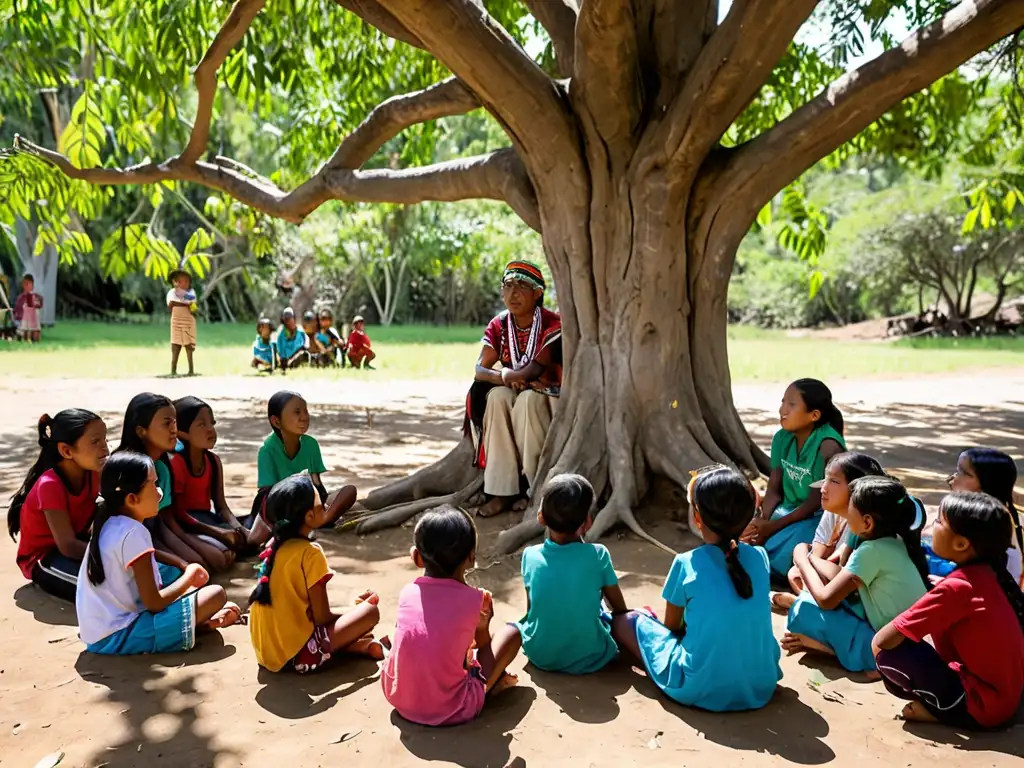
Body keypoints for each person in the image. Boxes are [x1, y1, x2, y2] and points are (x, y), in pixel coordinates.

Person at [611, 466, 781, 712]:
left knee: (626, 622)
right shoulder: (760, 558)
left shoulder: (686, 563)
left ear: (698, 518)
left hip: (699, 686)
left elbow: (672, 627)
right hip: (760, 683)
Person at [873, 492, 1024, 728]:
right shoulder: (989, 574)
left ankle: (942, 711)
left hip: (984, 709)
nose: (933, 524)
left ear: (962, 544)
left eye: (940, 521)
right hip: (1006, 701)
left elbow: (883, 641)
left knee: (888, 654)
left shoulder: (957, 587)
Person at [76, 452, 240, 655]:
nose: (158, 491)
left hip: (99, 634)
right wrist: (190, 576)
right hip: (119, 636)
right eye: (153, 484)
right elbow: (154, 603)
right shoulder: (134, 533)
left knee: (174, 577)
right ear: (132, 499)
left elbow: (150, 576)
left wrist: (184, 575)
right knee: (216, 595)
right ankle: (194, 625)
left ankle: (197, 624)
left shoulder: (112, 522)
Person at [382, 506, 521, 726]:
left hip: (399, 698)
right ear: (471, 557)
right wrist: (484, 627)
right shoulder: (473, 600)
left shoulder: (408, 592)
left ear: (416, 557)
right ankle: (490, 686)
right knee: (512, 633)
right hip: (452, 709)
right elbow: (483, 647)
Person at [783, 476, 930, 672]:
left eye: (850, 507)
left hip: (892, 649)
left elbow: (827, 599)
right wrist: (812, 560)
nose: (846, 513)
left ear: (867, 522)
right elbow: (840, 575)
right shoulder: (891, 541)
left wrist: (802, 560)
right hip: (905, 641)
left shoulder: (871, 551)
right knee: (814, 595)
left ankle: (848, 655)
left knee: (804, 608)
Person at [249, 474, 386, 672]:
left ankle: (360, 646)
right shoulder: (311, 553)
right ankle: (352, 643)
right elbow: (321, 617)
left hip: (267, 655)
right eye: (321, 504)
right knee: (370, 613)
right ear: (309, 517)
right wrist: (358, 610)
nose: (326, 506)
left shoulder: (274, 548)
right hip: (297, 656)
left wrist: (350, 611)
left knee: (353, 614)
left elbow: (309, 610)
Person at [469, 261, 562, 518]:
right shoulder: (499, 324)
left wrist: (512, 374)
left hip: (545, 396)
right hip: (512, 388)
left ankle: (534, 489)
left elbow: (535, 369)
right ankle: (501, 491)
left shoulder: (551, 323)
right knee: (497, 398)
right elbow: (480, 369)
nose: (514, 293)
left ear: (538, 293)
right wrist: (504, 378)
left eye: (522, 286)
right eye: (508, 286)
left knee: (528, 402)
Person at [512, 474, 626, 673]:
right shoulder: (598, 555)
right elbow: (619, 609)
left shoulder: (530, 556)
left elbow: (533, 612)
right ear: (588, 521)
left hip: (541, 654)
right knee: (630, 619)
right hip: (591, 656)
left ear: (540, 516)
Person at [116, 393, 234, 572]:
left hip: (159, 534)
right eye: (166, 424)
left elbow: (167, 521)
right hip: (134, 543)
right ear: (141, 431)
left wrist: (196, 549)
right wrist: (182, 561)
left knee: (215, 560)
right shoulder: (126, 470)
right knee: (194, 569)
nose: (174, 430)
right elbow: (133, 533)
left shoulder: (162, 468)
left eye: (174, 422)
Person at [743, 378, 846, 576]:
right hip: (787, 511)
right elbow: (773, 488)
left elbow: (815, 502)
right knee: (749, 535)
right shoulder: (782, 438)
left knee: (782, 558)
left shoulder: (827, 446)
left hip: (817, 516)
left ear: (814, 415)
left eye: (792, 404)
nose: (783, 410)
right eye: (783, 402)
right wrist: (762, 521)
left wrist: (771, 528)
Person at [8, 410, 108, 600]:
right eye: (95, 442)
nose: (105, 448)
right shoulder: (50, 485)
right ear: (67, 451)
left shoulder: (93, 472)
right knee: (102, 593)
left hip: (77, 543)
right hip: (44, 558)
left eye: (105, 439)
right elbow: (68, 546)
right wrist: (111, 554)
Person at [771, 452, 887, 613]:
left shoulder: (867, 526)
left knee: (804, 570)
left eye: (833, 481)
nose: (823, 489)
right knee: (795, 573)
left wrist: (803, 555)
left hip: (862, 599)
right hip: (832, 582)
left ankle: (804, 605)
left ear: (857, 489)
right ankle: (807, 604)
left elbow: (842, 577)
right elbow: (818, 555)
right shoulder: (833, 511)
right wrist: (810, 560)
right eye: (825, 479)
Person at [170, 396, 264, 552]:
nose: (210, 430)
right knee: (226, 548)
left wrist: (239, 528)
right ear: (182, 433)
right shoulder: (177, 463)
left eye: (212, 423)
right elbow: (179, 514)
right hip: (189, 525)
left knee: (245, 541)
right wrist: (219, 533)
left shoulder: (213, 461)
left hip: (208, 519)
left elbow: (222, 506)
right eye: (201, 424)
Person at [253, 391, 357, 527]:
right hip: (282, 506)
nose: (304, 417)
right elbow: (267, 494)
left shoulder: (311, 445)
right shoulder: (267, 451)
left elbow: (317, 483)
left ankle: (322, 519)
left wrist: (321, 505)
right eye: (297, 412)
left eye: (305, 411)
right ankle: (320, 521)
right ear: (276, 421)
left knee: (349, 491)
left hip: (309, 502)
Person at [924, 448, 1022, 586]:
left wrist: (949, 583)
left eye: (962, 472)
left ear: (986, 484)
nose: (953, 477)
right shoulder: (1007, 515)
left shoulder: (986, 525)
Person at [167, 269, 198, 376]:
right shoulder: (171, 292)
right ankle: (173, 370)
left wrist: (180, 294)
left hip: (188, 321)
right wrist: (184, 302)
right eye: (180, 281)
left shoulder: (192, 292)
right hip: (176, 321)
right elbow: (171, 303)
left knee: (189, 347)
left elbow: (191, 299)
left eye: (186, 281)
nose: (183, 283)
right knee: (175, 346)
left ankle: (191, 370)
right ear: (174, 282)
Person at [275, 307, 308, 371]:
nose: (289, 322)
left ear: (294, 319)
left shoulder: (300, 331)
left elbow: (302, 347)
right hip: (283, 359)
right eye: (286, 320)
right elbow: (278, 347)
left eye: (290, 319)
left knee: (302, 354)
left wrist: (292, 358)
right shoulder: (281, 331)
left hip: (297, 356)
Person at [13, 273, 43, 342]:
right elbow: (16, 314)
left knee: (35, 311)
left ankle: (32, 335)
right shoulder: (20, 298)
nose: (25, 286)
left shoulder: (36, 297)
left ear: (32, 285)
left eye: (28, 284)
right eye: (24, 284)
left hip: (32, 323)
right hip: (21, 323)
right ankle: (23, 334)